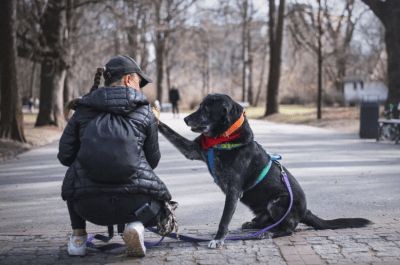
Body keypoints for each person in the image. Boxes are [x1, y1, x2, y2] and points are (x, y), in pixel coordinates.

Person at [58, 55, 175, 257]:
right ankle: (136, 226)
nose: (141, 88)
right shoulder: (146, 112)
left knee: (75, 174)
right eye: (140, 82)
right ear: (129, 80)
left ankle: (78, 237)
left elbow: (65, 156)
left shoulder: (82, 110)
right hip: (135, 205)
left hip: (87, 206)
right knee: (158, 192)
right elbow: (153, 162)